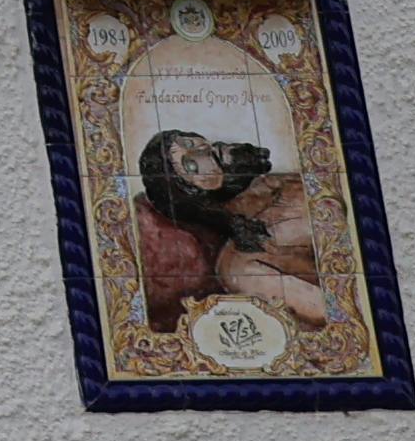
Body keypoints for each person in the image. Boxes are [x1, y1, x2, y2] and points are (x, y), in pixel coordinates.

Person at [129, 126, 335, 334]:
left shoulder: (274, 183)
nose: (202, 148)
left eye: (189, 142)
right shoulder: (239, 266)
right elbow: (331, 309)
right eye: (191, 165)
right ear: (198, 189)